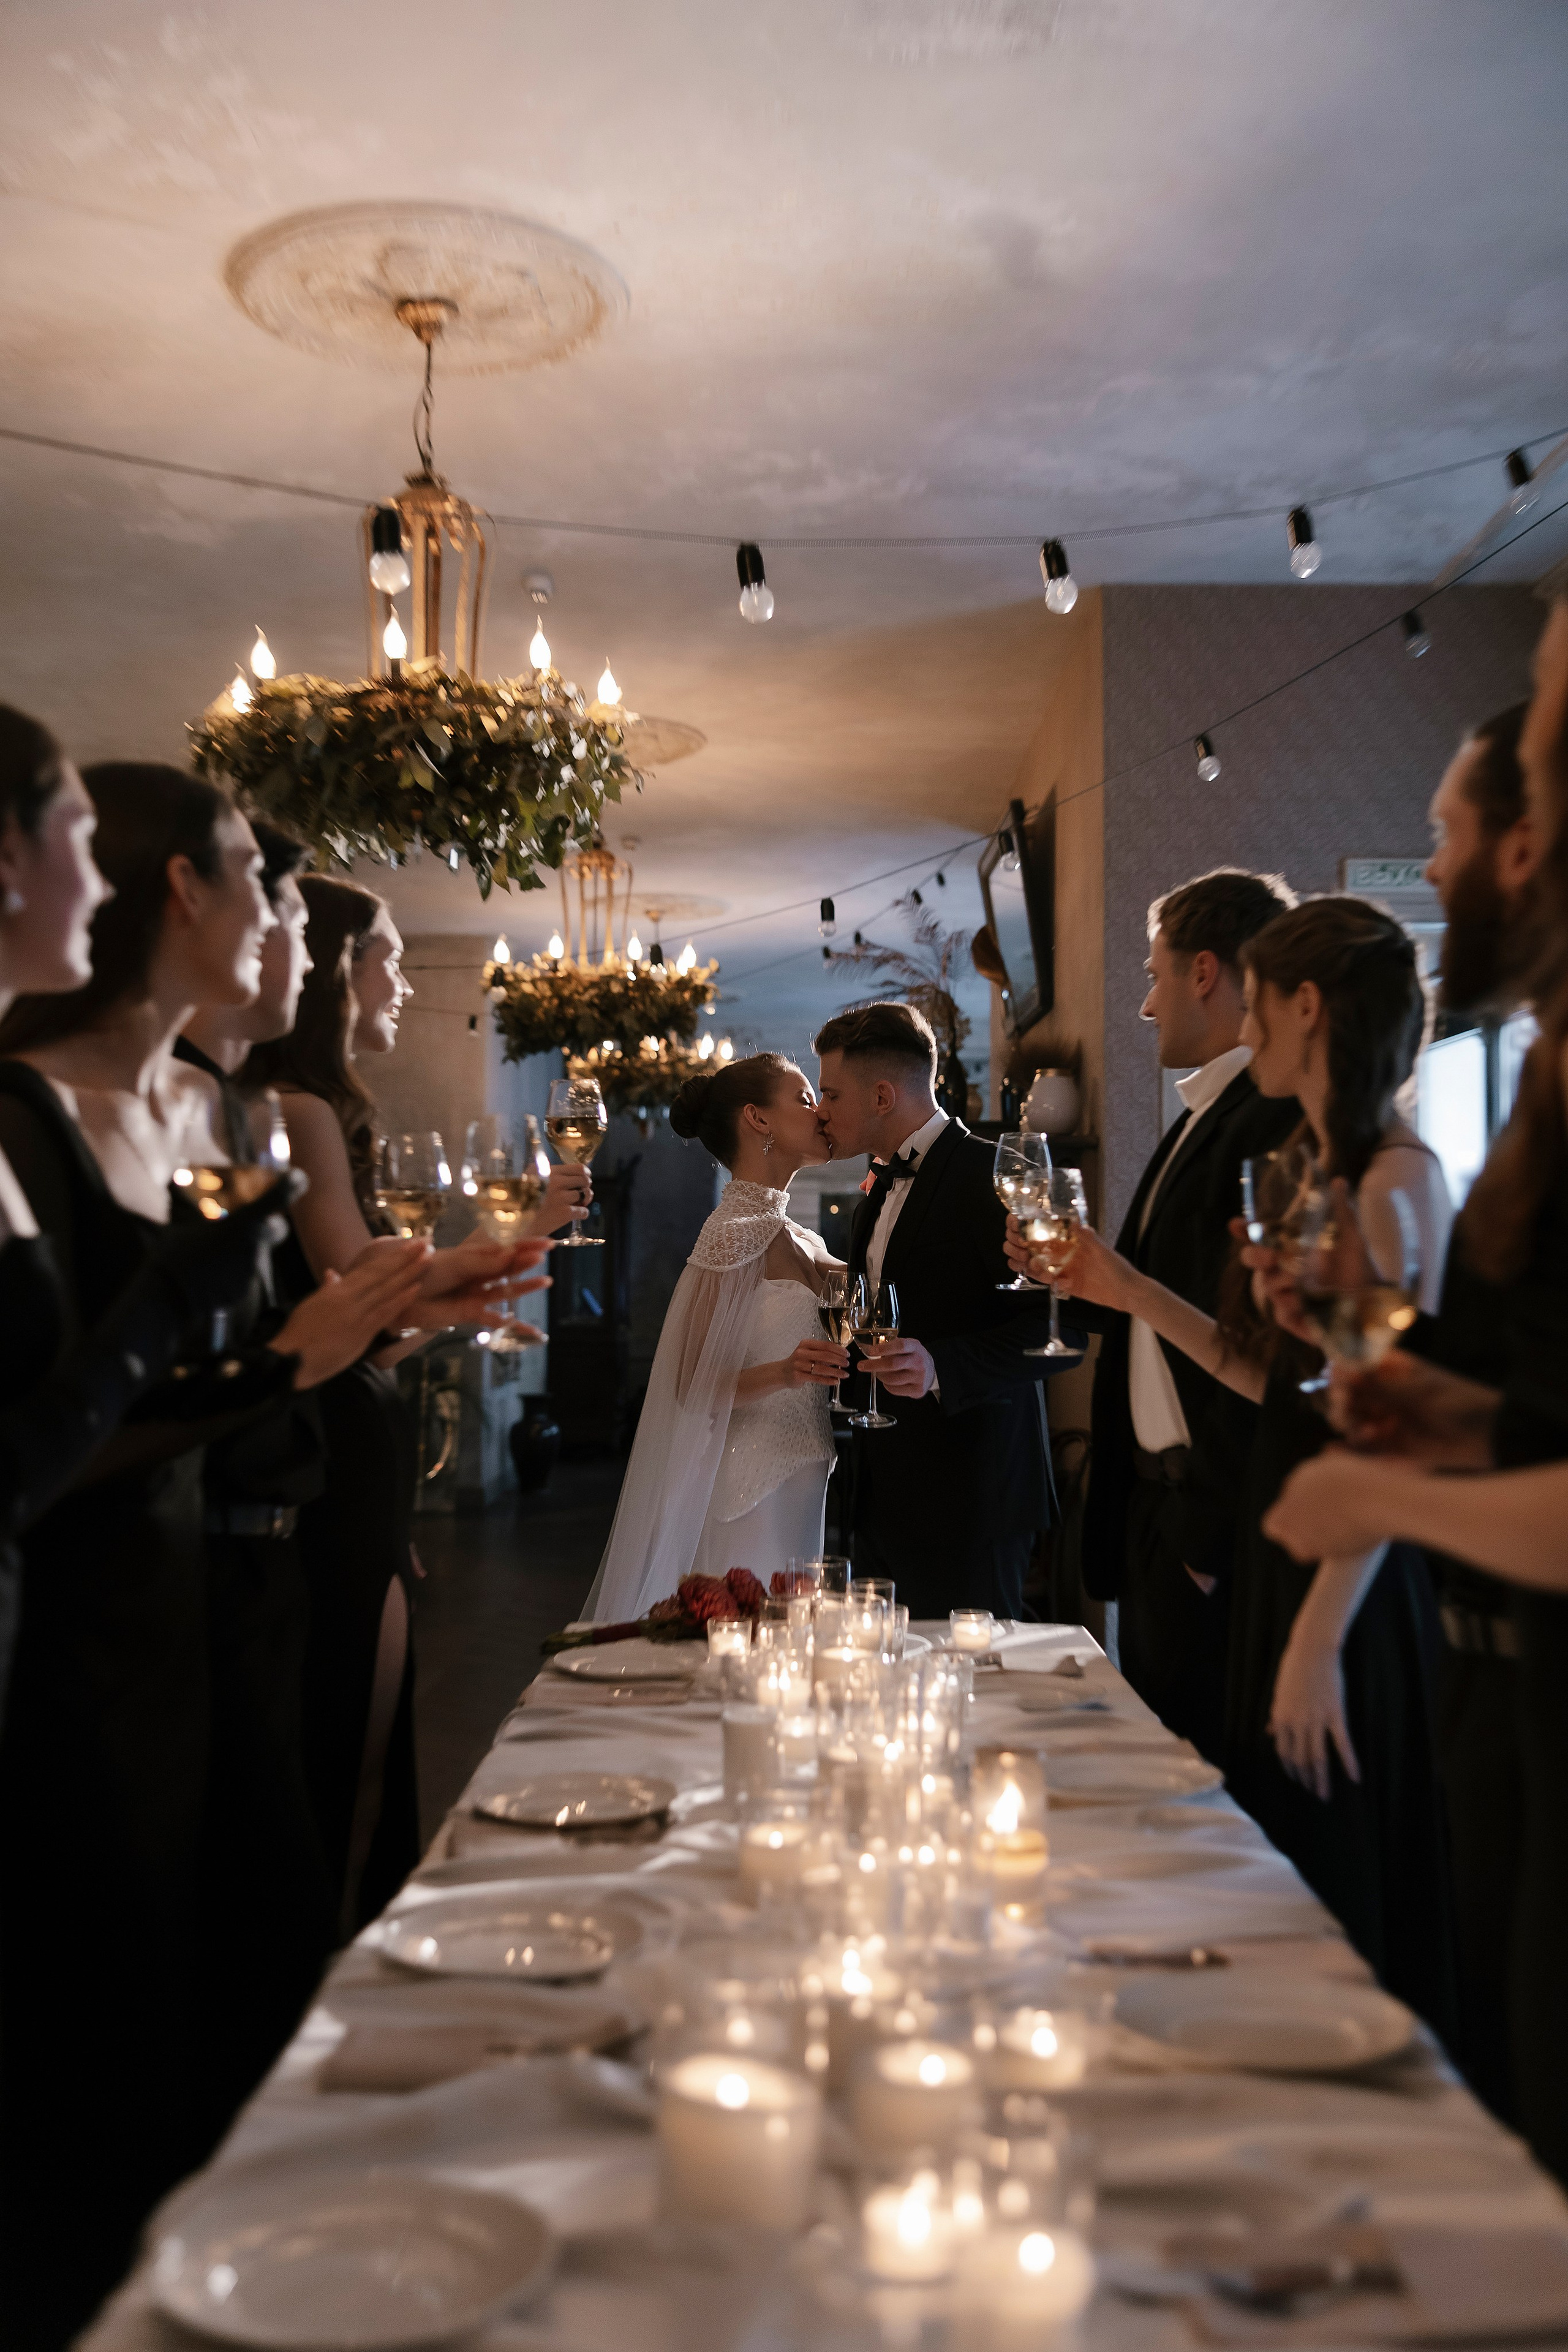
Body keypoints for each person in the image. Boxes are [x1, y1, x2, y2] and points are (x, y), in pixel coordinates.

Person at [0, 762, 432, 2348]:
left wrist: (335, 1336)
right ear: (179, 887)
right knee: (106, 2066)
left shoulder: (218, 1112)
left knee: (259, 1995)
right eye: (259, 875)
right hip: (78, 1653)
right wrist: (287, 1358)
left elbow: (215, 1381)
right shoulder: (21, 1119)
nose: (279, 919)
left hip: (221, 1612)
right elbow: (49, 1440)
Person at [1028, 895, 1457, 2038]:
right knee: (1267, 1879)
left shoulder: (1397, 1181)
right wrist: (1130, 1291)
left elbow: (1387, 1435)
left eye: (1259, 1004)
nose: (1245, 1026)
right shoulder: (1319, 1171)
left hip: (1347, 1585)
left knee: (1337, 1902)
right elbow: (1279, 1383)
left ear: (1306, 1007)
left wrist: (1317, 1637)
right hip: (1288, 1550)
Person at [1267, 595, 1568, 2176]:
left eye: (1444, 835)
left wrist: (1374, 1491)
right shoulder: (1539, 1096)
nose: (1428, 872)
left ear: (1529, 845)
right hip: (1500, 1691)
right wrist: (1436, 1417)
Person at [241, 873, 549, 1930]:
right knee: (346, 1775)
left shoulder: (313, 1110)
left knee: (355, 1769)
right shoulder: (299, 1111)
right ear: (335, 972)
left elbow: (375, 1340)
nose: (405, 983)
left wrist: (471, 1297)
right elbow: (361, 1317)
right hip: (325, 1468)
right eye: (389, 958)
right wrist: (486, 1264)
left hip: (348, 1460)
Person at [1019, 867, 1298, 1758]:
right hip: (1157, 1515)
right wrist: (1083, 1286)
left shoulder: (1268, 1119)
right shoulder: (1197, 1118)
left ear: (1204, 972)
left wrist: (1200, 1542)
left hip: (1204, 1525)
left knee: (1203, 1786)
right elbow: (1161, 1314)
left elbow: (1268, 1349)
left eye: (1153, 976)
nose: (1145, 1006)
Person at [814, 1000, 1077, 1621]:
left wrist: (941, 1368)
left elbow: (1064, 1328)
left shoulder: (998, 1176)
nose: (820, 1110)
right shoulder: (873, 1194)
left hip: (973, 1501)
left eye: (830, 1094)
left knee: (974, 1679)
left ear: (882, 1096)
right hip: (881, 1498)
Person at [588, 1054, 847, 1621]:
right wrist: (786, 1371)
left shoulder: (804, 1239)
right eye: (805, 1099)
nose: (821, 1112)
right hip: (746, 1484)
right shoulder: (731, 1235)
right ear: (759, 1118)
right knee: (743, 1641)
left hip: (807, 1473)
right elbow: (691, 1384)